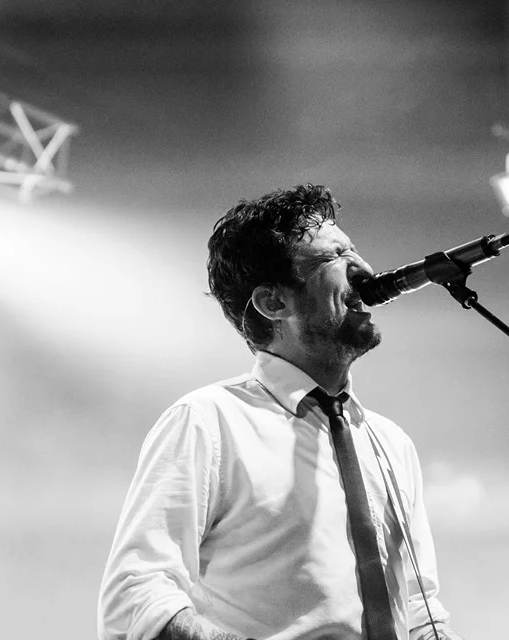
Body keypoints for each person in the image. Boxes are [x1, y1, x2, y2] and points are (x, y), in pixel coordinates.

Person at [98, 184, 465, 640]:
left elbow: (419, 609)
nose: (365, 269)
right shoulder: (209, 422)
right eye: (335, 257)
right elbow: (135, 597)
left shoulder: (389, 442)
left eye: (354, 250)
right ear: (273, 302)